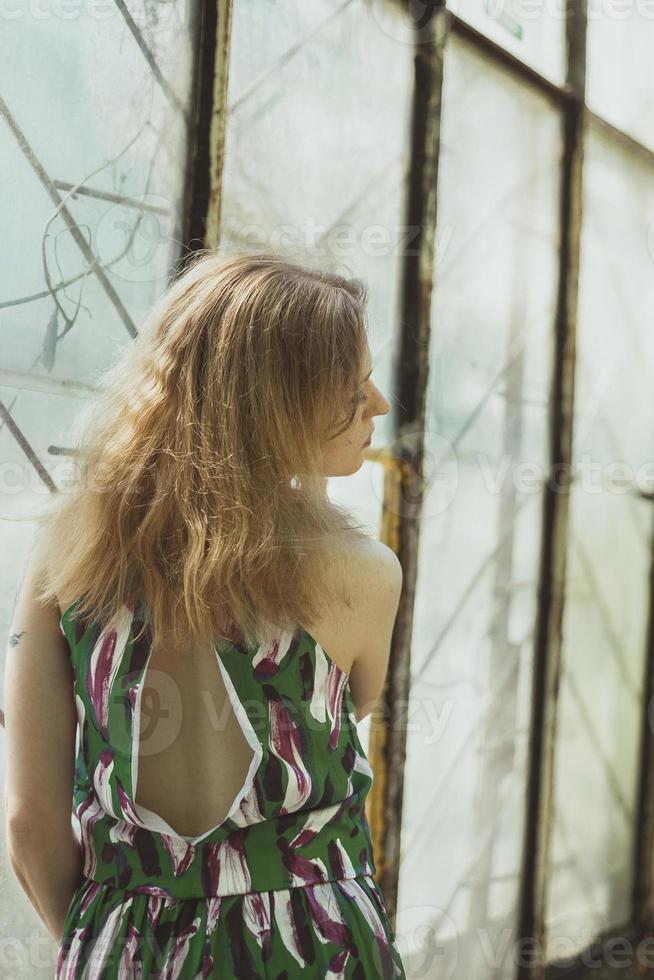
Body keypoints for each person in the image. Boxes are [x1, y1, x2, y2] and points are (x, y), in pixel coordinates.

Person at [4, 250, 406, 978]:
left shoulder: (65, 548)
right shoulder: (364, 572)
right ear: (277, 403)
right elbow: (360, 707)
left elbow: (30, 827)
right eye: (352, 384)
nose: (377, 403)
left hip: (121, 945)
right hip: (316, 952)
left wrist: (117, 948)